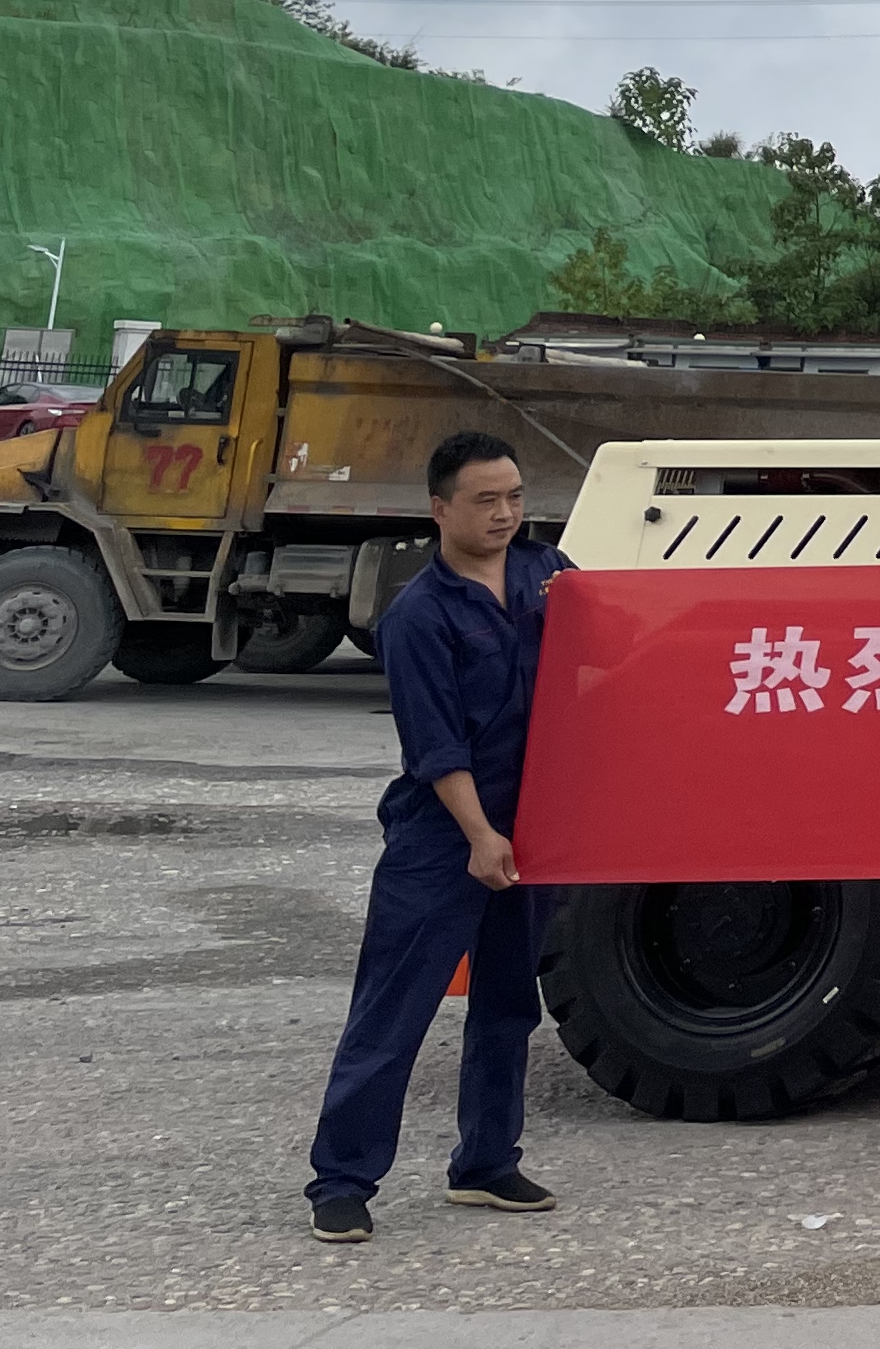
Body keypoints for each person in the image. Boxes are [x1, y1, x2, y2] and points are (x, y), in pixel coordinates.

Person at [305, 429, 574, 1243]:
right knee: (395, 1010)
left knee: (507, 1006)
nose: (504, 513)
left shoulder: (549, 576)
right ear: (440, 509)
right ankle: (342, 1181)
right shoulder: (417, 615)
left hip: (533, 829)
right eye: (485, 500)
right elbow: (435, 746)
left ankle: (487, 1164)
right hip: (444, 836)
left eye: (515, 497)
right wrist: (480, 837)